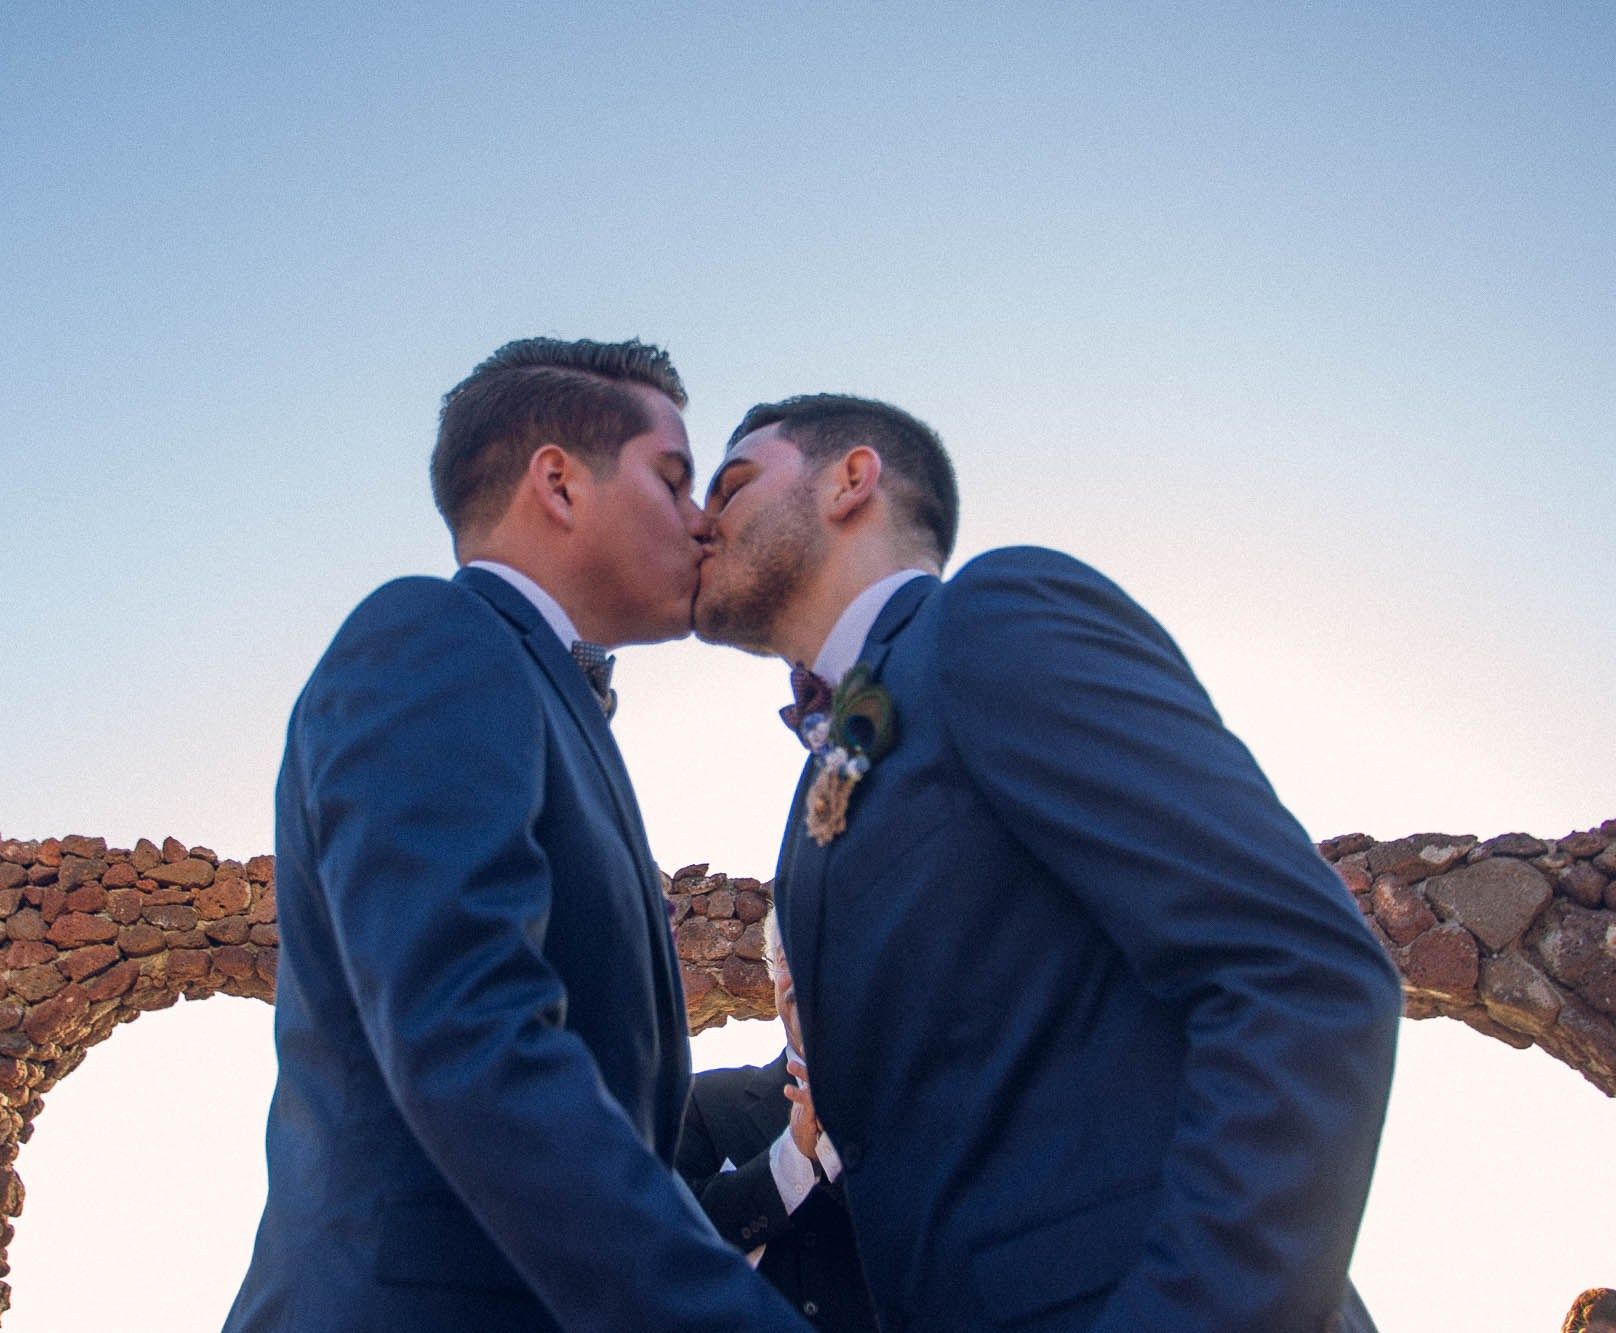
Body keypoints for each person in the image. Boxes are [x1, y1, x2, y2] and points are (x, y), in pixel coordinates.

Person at [692, 392, 1405, 1332]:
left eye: (733, 484)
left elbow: (1300, 969)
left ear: (851, 480)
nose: (701, 520)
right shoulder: (815, 794)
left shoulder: (991, 616)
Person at [223, 339, 805, 1332]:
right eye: (672, 479)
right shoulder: (433, 635)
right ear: (558, 484)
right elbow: (468, 1029)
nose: (703, 519)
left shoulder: (539, 693)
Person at [677, 915, 876, 1332]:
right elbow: (671, 1239)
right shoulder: (705, 1103)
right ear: (771, 973)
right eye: (787, 957)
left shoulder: (914, 1102)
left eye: (819, 952)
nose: (802, 971)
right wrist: (794, 1156)